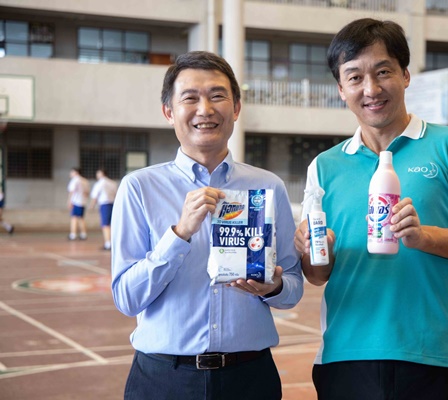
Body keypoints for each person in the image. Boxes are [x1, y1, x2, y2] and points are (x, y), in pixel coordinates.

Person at [294, 18, 448, 399]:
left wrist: (425, 238)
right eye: (355, 77)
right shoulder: (324, 167)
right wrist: (312, 252)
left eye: (383, 72)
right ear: (341, 89)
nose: (371, 89)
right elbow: (317, 275)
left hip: (430, 354)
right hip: (345, 356)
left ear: (405, 75)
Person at [111, 51, 303, 400]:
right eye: (190, 98)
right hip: (163, 380)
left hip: (250, 378)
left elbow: (292, 288)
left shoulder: (268, 187)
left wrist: (273, 286)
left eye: (217, 96)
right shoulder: (139, 188)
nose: (205, 109)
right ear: (169, 112)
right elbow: (126, 298)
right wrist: (179, 233)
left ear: (236, 108)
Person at [89, 169, 118, 250]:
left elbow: (95, 196)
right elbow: (116, 194)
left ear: (102, 174)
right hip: (113, 204)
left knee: (105, 225)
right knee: (112, 224)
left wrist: (92, 205)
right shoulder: (112, 183)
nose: (97, 175)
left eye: (98, 173)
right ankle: (113, 243)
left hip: (105, 205)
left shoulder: (100, 183)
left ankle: (108, 243)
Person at [67, 167, 90, 240]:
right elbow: (87, 193)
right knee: (81, 218)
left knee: (74, 218)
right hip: (82, 202)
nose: (70, 173)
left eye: (72, 172)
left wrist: (69, 201)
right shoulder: (85, 181)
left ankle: (73, 234)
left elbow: (72, 191)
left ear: (76, 172)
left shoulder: (75, 180)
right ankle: (83, 234)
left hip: (76, 202)